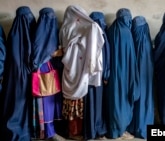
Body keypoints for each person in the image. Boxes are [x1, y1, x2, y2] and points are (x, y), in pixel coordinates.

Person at [59, 5, 104, 140]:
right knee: (79, 103)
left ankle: (72, 131)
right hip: (81, 69)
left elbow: (62, 47)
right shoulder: (88, 28)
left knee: (70, 101)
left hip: (69, 69)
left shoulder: (64, 28)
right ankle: (76, 132)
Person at [0, 6, 36, 140]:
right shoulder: (23, 31)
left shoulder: (15, 31)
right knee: (19, 106)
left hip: (13, 75)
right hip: (22, 76)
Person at [31, 7, 65, 141]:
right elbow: (38, 50)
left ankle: (52, 130)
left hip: (51, 70)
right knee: (46, 104)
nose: (52, 20)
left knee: (52, 103)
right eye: (48, 17)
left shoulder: (52, 30)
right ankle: (47, 132)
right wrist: (51, 54)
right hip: (43, 70)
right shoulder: (39, 33)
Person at [106, 8, 139, 139]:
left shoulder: (110, 30)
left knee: (113, 101)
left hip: (112, 76)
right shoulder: (126, 32)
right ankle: (120, 129)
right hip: (125, 75)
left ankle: (114, 130)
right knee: (123, 102)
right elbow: (131, 58)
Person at [82, 11, 110, 140]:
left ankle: (91, 130)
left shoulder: (86, 32)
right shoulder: (102, 33)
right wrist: (106, 74)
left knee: (90, 104)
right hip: (98, 76)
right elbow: (107, 56)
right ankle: (98, 129)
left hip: (87, 76)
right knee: (98, 104)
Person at [127, 15, 154, 139]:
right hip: (146, 76)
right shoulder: (147, 41)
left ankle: (136, 127)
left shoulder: (132, 40)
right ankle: (142, 127)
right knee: (145, 99)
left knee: (137, 98)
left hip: (137, 76)